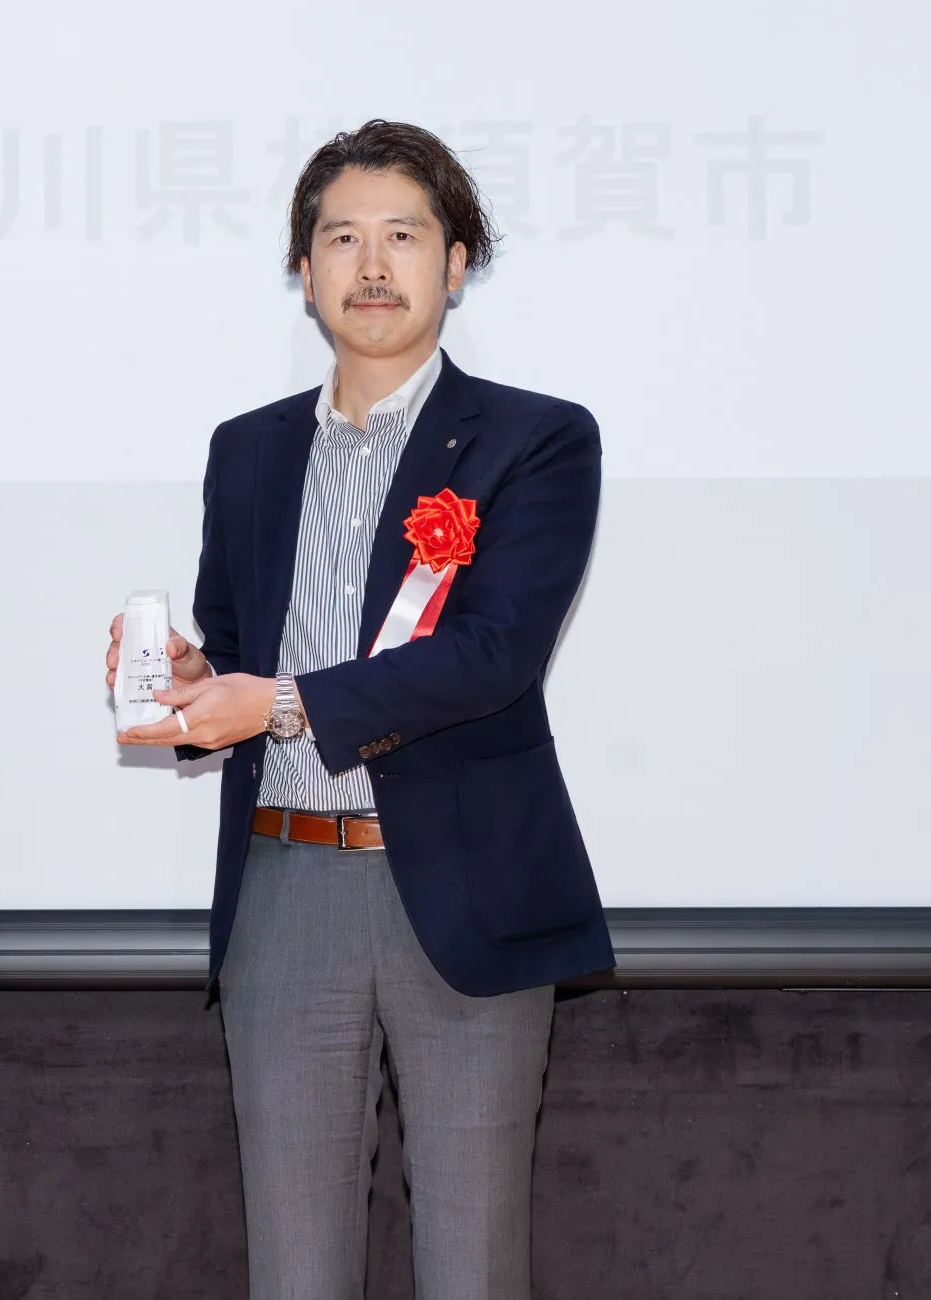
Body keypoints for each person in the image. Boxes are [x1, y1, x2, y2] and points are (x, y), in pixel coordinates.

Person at [110, 120, 614, 1299]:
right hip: (288, 890)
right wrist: (190, 681)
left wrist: (274, 700)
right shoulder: (248, 451)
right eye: (342, 238)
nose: (372, 266)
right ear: (304, 269)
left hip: (466, 886)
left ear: (458, 261)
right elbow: (237, 655)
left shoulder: (535, 439)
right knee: (293, 1266)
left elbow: (495, 655)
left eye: (405, 235)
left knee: (473, 1263)